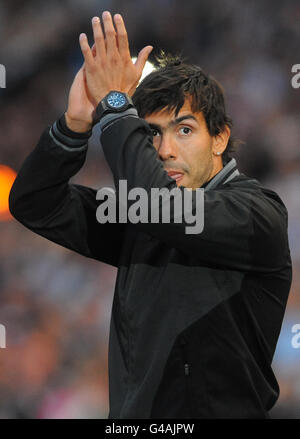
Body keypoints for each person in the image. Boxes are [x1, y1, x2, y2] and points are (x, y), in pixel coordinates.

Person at [9, 11, 292, 419]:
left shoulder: (257, 213)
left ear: (221, 138)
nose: (165, 149)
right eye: (152, 133)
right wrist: (72, 126)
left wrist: (116, 107)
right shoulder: (144, 215)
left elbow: (165, 211)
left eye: (184, 130)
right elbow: (34, 202)